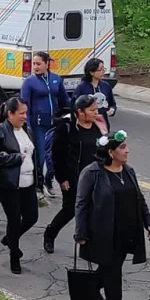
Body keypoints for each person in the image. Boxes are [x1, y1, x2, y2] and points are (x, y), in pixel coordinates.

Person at [74, 130, 150, 300]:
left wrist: (148, 220)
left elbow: (139, 197)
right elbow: (81, 204)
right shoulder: (92, 173)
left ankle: (92, 289)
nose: (127, 150)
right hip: (103, 233)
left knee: (111, 267)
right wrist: (80, 233)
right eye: (122, 147)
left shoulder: (128, 171)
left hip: (126, 232)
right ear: (110, 152)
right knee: (113, 273)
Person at [41, 95, 103, 254]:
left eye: (96, 109)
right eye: (92, 110)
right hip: (73, 178)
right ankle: (50, 234)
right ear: (80, 112)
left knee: (94, 208)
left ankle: (88, 240)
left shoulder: (96, 127)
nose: (96, 113)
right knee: (70, 210)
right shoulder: (66, 128)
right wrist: (62, 178)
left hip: (93, 177)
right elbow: (57, 155)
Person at [0, 97, 38, 275]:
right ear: (10, 114)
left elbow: (32, 154)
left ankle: (10, 239)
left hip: (28, 182)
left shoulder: (27, 129)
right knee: (14, 220)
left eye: (26, 112)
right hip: (9, 184)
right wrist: (14, 158)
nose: (25, 116)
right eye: (21, 113)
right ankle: (14, 255)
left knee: (32, 217)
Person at [19, 51, 68, 198]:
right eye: (34, 64)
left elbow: (64, 99)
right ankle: (38, 185)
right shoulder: (29, 82)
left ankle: (49, 181)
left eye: (38, 63)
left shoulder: (56, 79)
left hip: (54, 123)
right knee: (40, 155)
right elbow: (24, 104)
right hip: (38, 125)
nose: (35, 66)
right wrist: (25, 124)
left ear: (47, 64)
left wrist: (75, 109)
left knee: (54, 156)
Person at [73, 57, 117, 134]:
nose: (103, 72)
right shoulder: (81, 88)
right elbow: (74, 107)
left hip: (103, 126)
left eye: (104, 69)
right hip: (87, 127)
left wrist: (112, 109)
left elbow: (112, 103)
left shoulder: (106, 86)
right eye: (100, 70)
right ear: (91, 72)